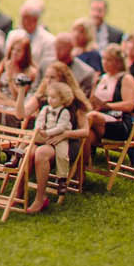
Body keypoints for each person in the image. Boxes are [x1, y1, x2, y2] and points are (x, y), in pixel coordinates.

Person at [26, 80, 88, 212]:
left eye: (52, 77)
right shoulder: (45, 105)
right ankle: (19, 194)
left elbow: (84, 131)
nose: (47, 79)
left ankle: (44, 194)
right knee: (28, 150)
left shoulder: (74, 106)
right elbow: (35, 119)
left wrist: (64, 134)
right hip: (45, 137)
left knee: (42, 153)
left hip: (65, 141)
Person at [87, 42, 134, 157]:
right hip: (98, 121)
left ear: (118, 62)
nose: (104, 63)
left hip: (118, 121)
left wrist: (108, 106)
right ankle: (81, 168)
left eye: (108, 60)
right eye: (103, 59)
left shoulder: (125, 78)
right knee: (88, 134)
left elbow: (129, 105)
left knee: (91, 117)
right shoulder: (101, 78)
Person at [0, 31, 36, 127]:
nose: (14, 53)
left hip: (15, 106)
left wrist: (10, 77)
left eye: (18, 51)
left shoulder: (30, 72)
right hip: (1, 100)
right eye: (13, 49)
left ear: (25, 54)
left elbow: (17, 96)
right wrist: (5, 100)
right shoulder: (4, 63)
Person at [16, 0, 56, 69]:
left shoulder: (49, 40)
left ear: (34, 20)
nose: (21, 21)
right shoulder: (14, 35)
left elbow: (47, 66)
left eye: (24, 18)